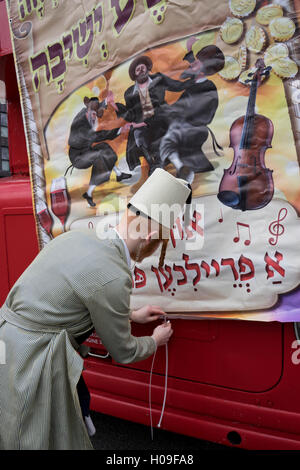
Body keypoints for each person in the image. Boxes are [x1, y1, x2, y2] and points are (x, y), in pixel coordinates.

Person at [0, 168, 191, 450]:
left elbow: (73, 293)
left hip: (7, 342)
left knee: (8, 422)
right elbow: (123, 352)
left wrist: (131, 314)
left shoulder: (74, 237)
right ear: (149, 235)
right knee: (34, 437)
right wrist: (154, 340)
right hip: (34, 358)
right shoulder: (115, 274)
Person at [108, 56, 192, 175]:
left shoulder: (159, 79)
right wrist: (113, 104)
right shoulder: (129, 92)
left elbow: (177, 86)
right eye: (138, 70)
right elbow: (130, 114)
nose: (141, 70)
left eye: (143, 67)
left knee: (165, 133)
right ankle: (156, 166)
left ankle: (159, 166)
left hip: (161, 119)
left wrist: (194, 77)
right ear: (134, 75)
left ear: (147, 69)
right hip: (142, 125)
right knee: (140, 139)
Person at [159, 45, 225, 184]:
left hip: (193, 128)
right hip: (182, 123)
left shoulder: (208, 88)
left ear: (205, 68)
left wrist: (176, 114)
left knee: (169, 135)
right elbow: (179, 99)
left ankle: (181, 168)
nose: (193, 63)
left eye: (197, 62)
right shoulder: (192, 83)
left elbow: (204, 115)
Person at [67, 95, 131, 208]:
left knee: (105, 147)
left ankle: (119, 174)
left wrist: (106, 100)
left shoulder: (88, 112)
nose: (95, 117)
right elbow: (98, 135)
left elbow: (95, 107)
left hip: (86, 149)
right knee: (100, 156)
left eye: (95, 114)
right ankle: (88, 194)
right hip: (78, 157)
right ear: (88, 112)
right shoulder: (81, 126)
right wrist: (120, 130)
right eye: (93, 114)